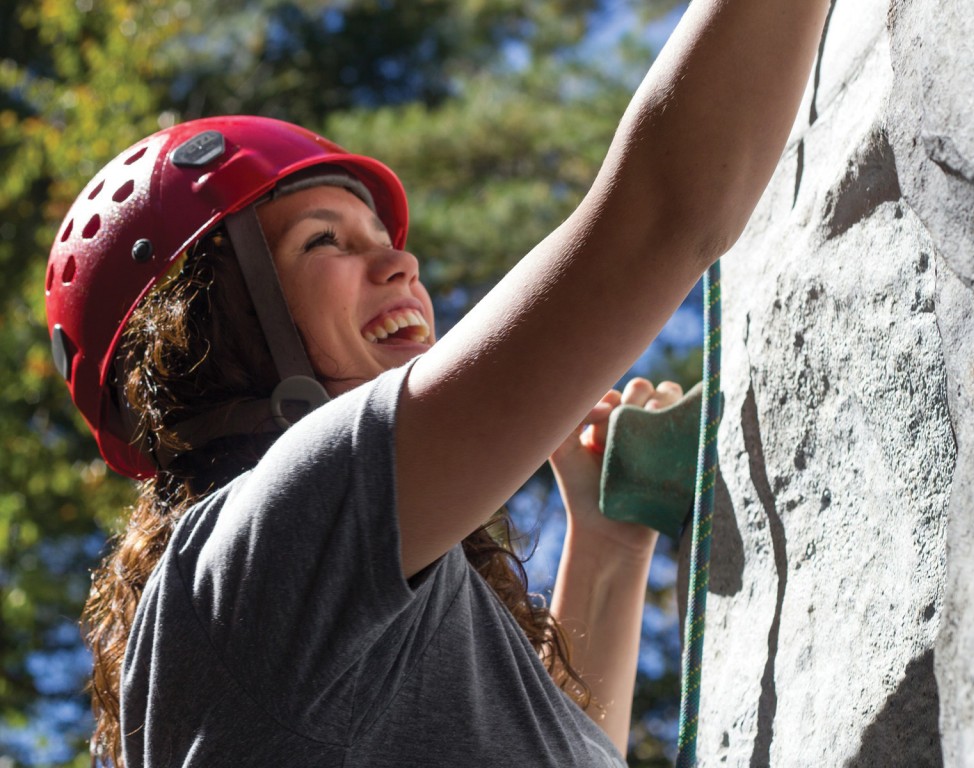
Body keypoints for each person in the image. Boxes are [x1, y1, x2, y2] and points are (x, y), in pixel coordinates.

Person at [46, 1, 830, 765]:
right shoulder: (260, 552)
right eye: (325, 241)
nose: (402, 263)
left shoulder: (299, 615)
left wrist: (607, 547)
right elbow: (659, 214)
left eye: (382, 238)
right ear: (214, 328)